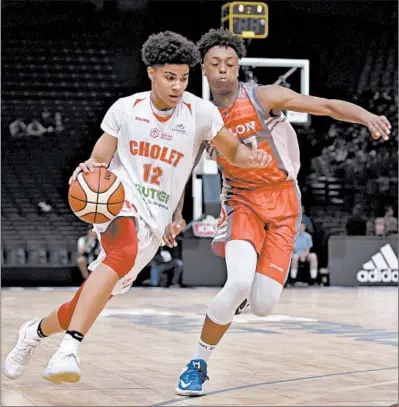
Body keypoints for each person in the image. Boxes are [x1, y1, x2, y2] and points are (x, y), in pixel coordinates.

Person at [3, 31, 271, 384]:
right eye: (169, 77)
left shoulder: (200, 113)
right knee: (122, 249)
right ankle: (69, 349)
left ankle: (32, 333)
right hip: (120, 198)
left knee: (84, 303)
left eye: (184, 78)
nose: (177, 86)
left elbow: (231, 150)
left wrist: (251, 157)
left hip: (156, 218)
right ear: (151, 73)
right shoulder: (126, 108)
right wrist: (91, 167)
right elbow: (101, 155)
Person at [176, 28, 392, 396]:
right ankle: (197, 363)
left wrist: (366, 116)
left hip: (283, 203)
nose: (224, 71)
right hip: (241, 200)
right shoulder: (200, 116)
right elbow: (183, 169)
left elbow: (324, 105)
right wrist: (175, 214)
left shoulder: (263, 97)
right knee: (239, 282)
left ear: (238, 66)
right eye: (215, 64)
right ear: (204, 70)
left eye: (230, 63)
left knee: (262, 305)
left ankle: (237, 300)